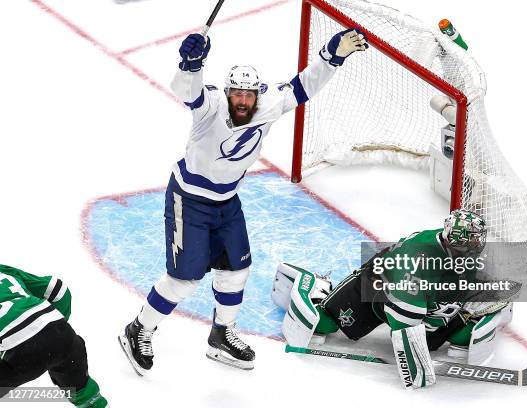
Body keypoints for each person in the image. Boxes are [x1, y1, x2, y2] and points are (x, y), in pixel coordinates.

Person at [119, 28, 369, 373]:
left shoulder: (268, 105)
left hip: (227, 202)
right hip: (189, 201)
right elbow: (186, 90)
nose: (241, 101)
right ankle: (139, 329)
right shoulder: (211, 107)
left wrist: (333, 54)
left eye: (247, 95)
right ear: (227, 93)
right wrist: (191, 64)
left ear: (257, 95)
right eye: (236, 93)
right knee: (184, 281)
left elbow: (304, 86)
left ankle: (222, 335)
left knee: (237, 271)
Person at [272, 210, 514, 389]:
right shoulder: (416, 260)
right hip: (375, 288)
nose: (477, 244)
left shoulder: (460, 253)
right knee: (325, 324)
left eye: (478, 239)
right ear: (456, 240)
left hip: (417, 294)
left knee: (447, 331)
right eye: (471, 240)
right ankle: (316, 288)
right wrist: (416, 371)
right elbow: (403, 324)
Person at [0, 264, 108, 406]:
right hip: (63, 337)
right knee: (85, 395)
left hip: (21, 352)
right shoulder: (4, 271)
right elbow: (59, 291)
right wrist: (50, 335)